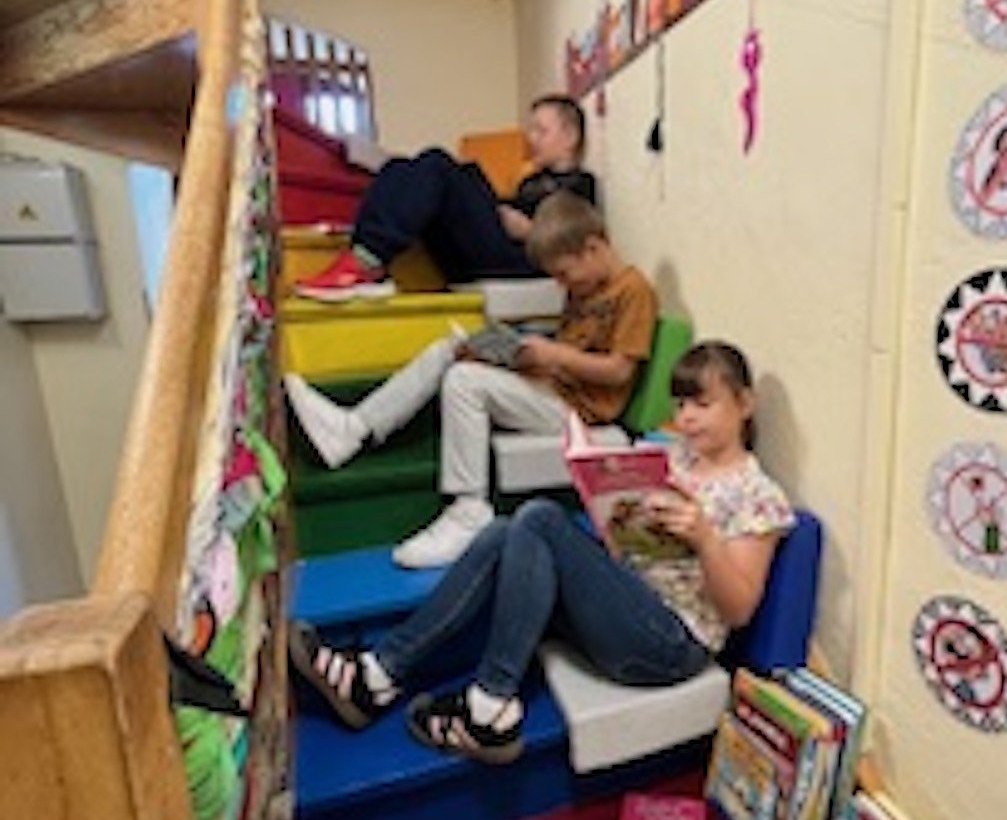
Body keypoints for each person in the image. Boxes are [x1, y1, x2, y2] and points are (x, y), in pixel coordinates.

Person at [287, 341, 795, 766]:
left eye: (702, 404)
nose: (686, 418)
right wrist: (613, 515)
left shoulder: (757, 495)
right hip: (626, 604)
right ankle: (378, 674)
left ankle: (489, 704)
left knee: (540, 518)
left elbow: (738, 610)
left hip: (672, 643)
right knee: (503, 532)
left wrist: (706, 538)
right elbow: (628, 550)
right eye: (681, 405)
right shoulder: (671, 456)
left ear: (744, 404)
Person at [285, 191, 658, 567]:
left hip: (579, 412)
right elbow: (570, 355)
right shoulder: (584, 288)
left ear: (592, 248)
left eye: (563, 274)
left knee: (465, 382)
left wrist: (554, 354)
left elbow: (619, 370)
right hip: (552, 387)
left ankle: (469, 511)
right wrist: (520, 357)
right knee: (450, 349)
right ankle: (354, 428)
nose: (562, 285)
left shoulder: (633, 290)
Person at [293, 94, 598, 299]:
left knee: (437, 162)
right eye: (531, 131)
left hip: (521, 260)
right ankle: (366, 254)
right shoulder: (531, 181)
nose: (531, 140)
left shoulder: (580, 184)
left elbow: (574, 244)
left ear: (570, 137)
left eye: (541, 131)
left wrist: (529, 231)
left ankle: (366, 260)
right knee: (401, 167)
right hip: (491, 249)